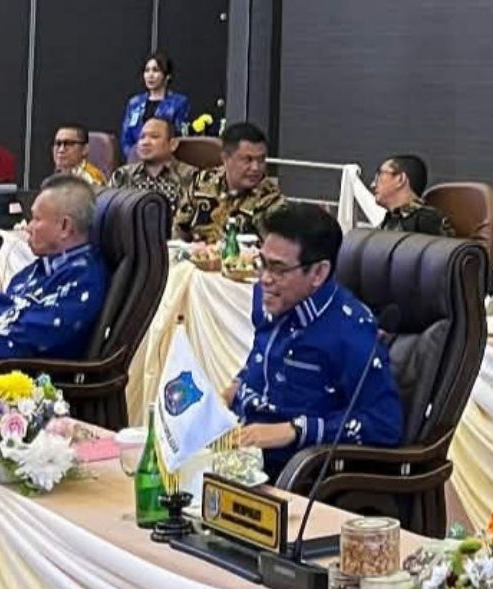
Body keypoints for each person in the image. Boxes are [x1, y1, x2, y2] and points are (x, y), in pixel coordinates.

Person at [224, 203, 402, 477]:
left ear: (318, 273)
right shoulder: (268, 298)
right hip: (238, 447)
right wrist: (231, 390)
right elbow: (262, 358)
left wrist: (293, 430)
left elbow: (384, 424)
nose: (265, 279)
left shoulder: (350, 331)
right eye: (262, 263)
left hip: (294, 471)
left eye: (279, 269)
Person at [0, 176, 110, 363]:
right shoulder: (40, 268)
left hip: (5, 374)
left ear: (65, 226)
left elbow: (22, 342)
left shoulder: (83, 281)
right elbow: (1, 316)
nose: (28, 227)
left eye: (36, 219)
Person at [176, 122, 284, 245]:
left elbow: (277, 250)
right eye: (247, 160)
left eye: (261, 160)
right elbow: (180, 229)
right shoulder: (203, 182)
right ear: (225, 159)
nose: (255, 168)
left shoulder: (271, 199)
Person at [106, 117, 195, 209]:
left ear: (173, 144)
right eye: (142, 137)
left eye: (154, 137)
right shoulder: (122, 175)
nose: (145, 142)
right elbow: (106, 210)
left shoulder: (192, 177)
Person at [120, 50, 190, 162]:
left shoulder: (179, 102)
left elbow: (180, 136)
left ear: (167, 76)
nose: (150, 75)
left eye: (156, 70)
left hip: (164, 160)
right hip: (135, 160)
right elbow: (126, 137)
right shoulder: (134, 103)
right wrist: (134, 156)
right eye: (147, 70)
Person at [370, 155, 453, 236]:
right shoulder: (390, 220)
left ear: (400, 179)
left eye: (380, 175)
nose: (373, 185)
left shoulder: (427, 220)